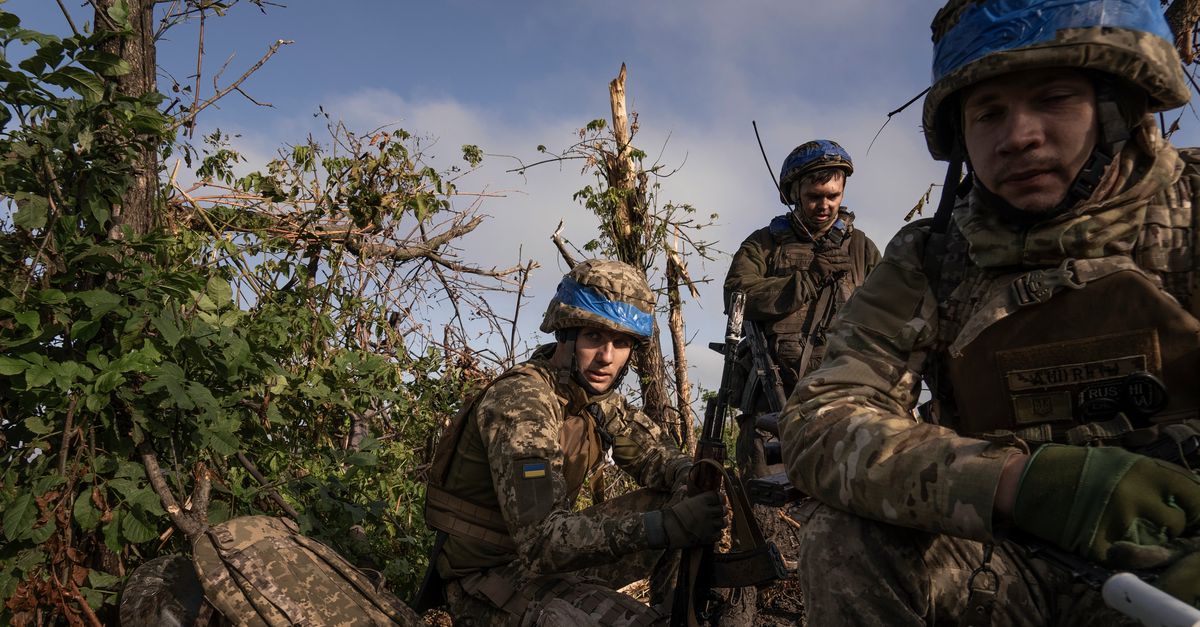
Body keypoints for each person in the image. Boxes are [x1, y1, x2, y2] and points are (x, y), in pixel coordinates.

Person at [781, 0, 1200, 624]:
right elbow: (821, 418)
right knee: (848, 536)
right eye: (988, 113)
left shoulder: (1190, 214)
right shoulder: (933, 254)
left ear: (1116, 105)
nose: (1017, 136)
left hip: (1175, 562)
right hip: (1003, 560)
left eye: (1054, 97)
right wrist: (1010, 482)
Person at [420, 259, 725, 626]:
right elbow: (542, 544)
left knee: (683, 496)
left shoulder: (591, 396)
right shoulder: (522, 403)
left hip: (543, 558)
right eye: (594, 337)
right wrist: (663, 526)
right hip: (488, 576)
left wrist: (691, 478)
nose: (607, 357)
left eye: (621, 342)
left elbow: (656, 456)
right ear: (566, 334)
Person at [724, 139, 880, 477]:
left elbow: (891, 317)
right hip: (772, 404)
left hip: (848, 406)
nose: (824, 205)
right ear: (794, 192)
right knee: (768, 515)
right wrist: (806, 280)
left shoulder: (862, 249)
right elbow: (736, 296)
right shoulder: (763, 245)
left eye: (833, 196)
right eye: (814, 196)